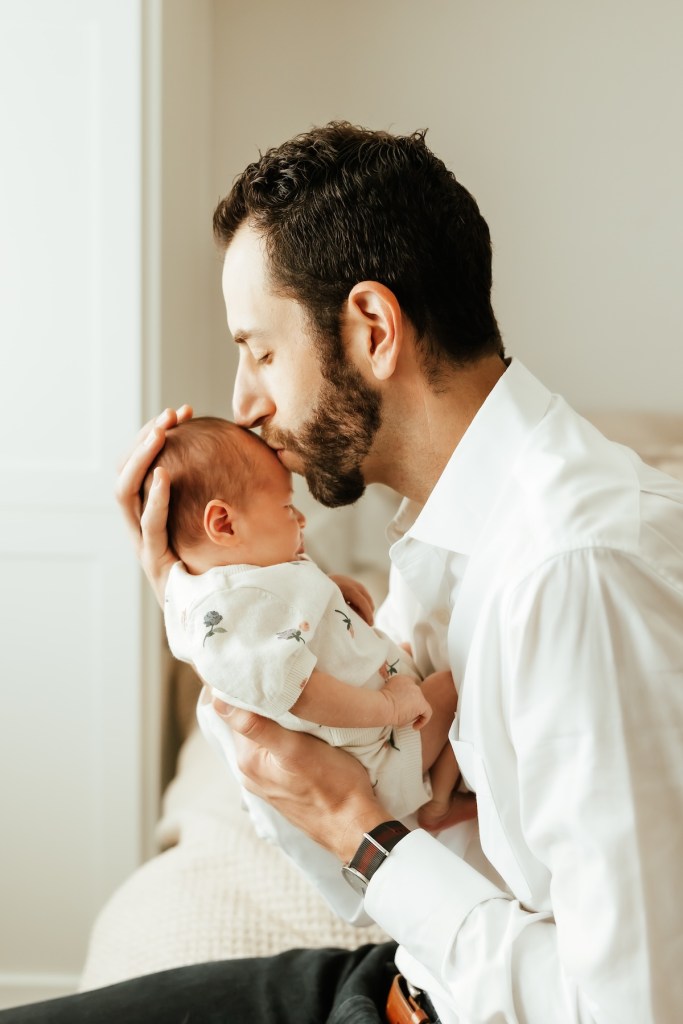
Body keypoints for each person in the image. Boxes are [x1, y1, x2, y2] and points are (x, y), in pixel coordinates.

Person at [4, 122, 682, 1022]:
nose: (244, 403)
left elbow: (630, 1008)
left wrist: (363, 839)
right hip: (411, 981)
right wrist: (208, 592)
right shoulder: (450, 529)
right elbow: (358, 805)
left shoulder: (574, 572)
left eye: (261, 350)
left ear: (371, 328)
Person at [141, 414, 461, 834]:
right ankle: (436, 799)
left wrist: (331, 588)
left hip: (380, 719)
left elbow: (287, 605)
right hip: (379, 752)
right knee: (453, 684)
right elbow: (297, 690)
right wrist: (389, 706)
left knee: (409, 655)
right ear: (224, 524)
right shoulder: (227, 612)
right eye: (287, 506)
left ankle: (434, 789)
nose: (301, 519)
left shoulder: (228, 579)